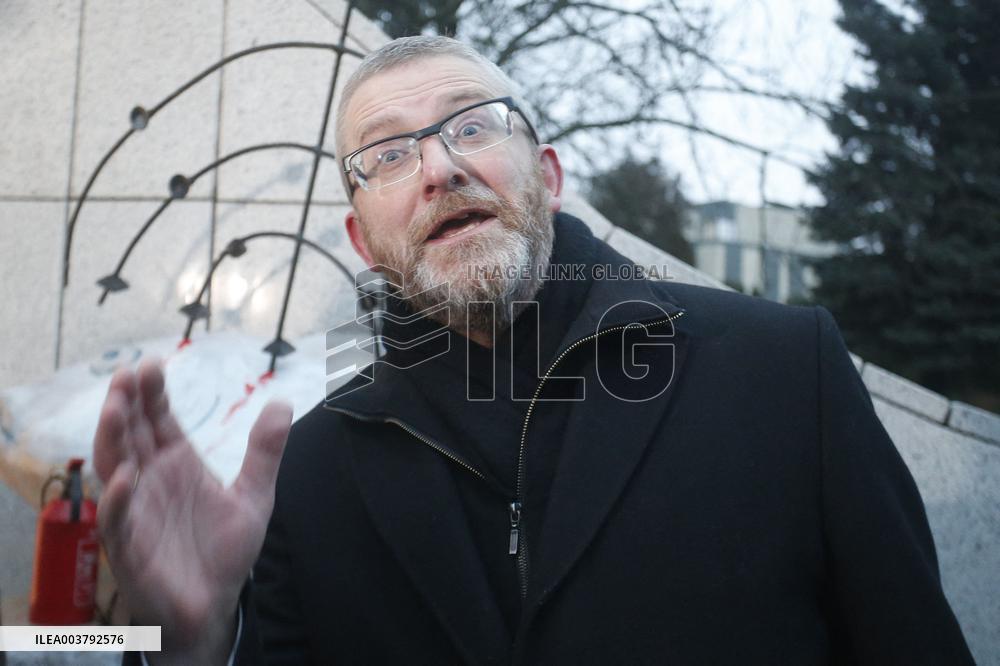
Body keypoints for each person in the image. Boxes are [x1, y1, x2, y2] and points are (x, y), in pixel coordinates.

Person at [95, 36, 975, 665]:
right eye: (390, 155)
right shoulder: (314, 468)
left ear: (546, 178)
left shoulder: (782, 374)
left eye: (472, 126)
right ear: (364, 243)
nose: (440, 168)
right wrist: (195, 647)